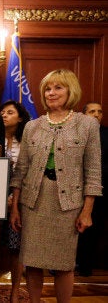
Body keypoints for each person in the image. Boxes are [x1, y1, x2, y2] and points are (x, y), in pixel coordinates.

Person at [9, 69, 101, 302]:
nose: (51, 93)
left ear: (71, 91)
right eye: (47, 89)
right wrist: (15, 207)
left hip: (67, 204)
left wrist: (87, 211)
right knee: (32, 261)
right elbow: (21, 170)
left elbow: (93, 171)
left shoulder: (87, 125)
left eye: (58, 87)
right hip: (33, 202)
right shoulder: (32, 126)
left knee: (64, 264)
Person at [0, 100, 31, 303]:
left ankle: (15, 291)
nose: (3, 115)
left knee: (15, 248)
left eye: (9, 112)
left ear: (19, 118)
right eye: (2, 111)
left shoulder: (26, 142)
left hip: (18, 202)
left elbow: (27, 173)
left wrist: (14, 199)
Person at [76, 102, 108, 276]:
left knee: (93, 229)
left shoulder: (107, 134)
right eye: (92, 111)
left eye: (99, 112)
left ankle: (85, 265)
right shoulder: (77, 132)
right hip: (74, 188)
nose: (96, 114)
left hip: (101, 190)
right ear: (84, 114)